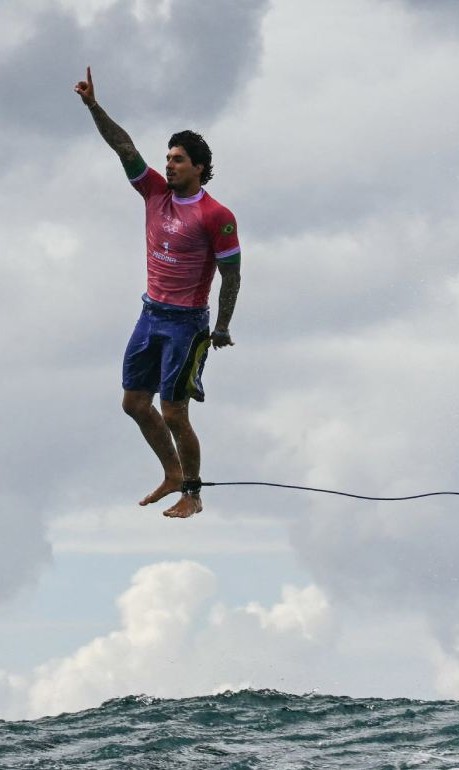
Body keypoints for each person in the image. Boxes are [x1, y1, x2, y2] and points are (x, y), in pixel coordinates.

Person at [74, 66, 242, 519]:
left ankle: (192, 492)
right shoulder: (154, 193)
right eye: (168, 158)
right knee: (133, 403)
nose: (168, 164)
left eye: (178, 160)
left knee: (173, 412)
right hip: (150, 314)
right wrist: (93, 106)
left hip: (187, 324)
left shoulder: (216, 215)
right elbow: (123, 146)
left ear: (200, 168)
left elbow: (232, 274)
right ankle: (171, 472)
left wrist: (222, 326)